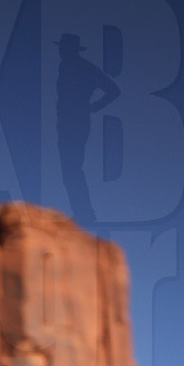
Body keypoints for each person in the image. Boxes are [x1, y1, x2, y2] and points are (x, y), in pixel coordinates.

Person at [55, 32, 120, 226]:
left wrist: (94, 106)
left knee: (72, 168)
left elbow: (114, 90)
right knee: (69, 169)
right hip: (66, 121)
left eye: (63, 47)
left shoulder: (85, 68)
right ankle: (82, 212)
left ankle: (84, 213)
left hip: (76, 123)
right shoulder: (65, 65)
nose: (61, 51)